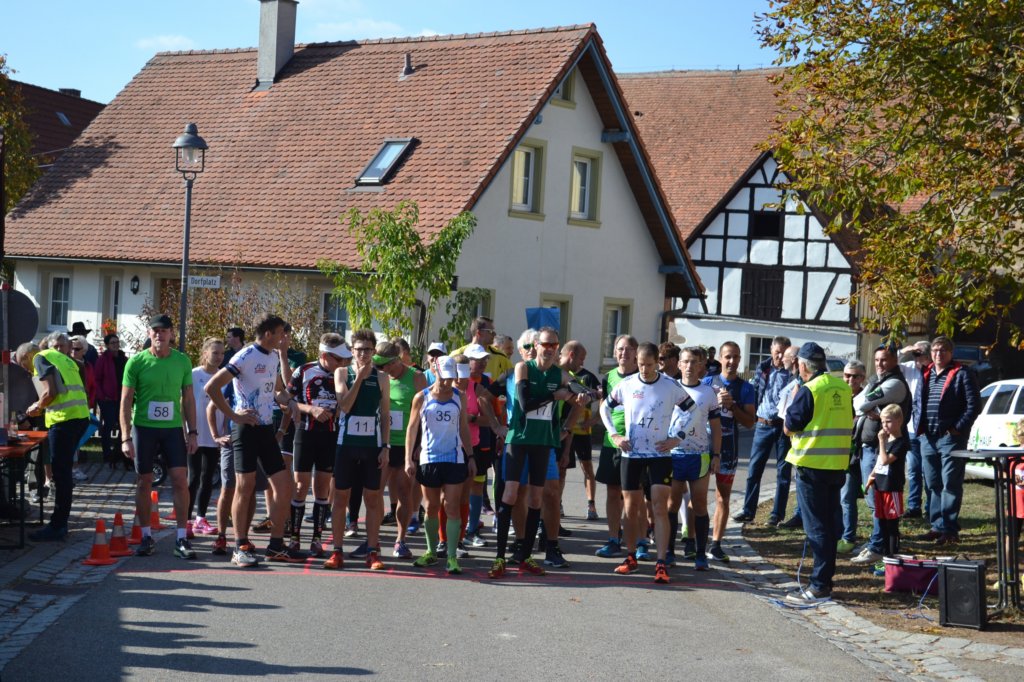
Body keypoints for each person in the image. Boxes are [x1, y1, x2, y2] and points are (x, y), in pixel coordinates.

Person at [206, 313, 303, 566]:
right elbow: (212, 388)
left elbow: (278, 390)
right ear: (268, 334)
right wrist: (233, 416)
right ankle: (240, 546)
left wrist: (292, 403)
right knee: (244, 487)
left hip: (265, 429)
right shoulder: (245, 355)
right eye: (281, 333)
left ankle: (275, 545)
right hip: (245, 429)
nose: (284, 338)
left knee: (284, 486)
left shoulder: (273, 356)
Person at [488, 327, 582, 578]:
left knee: (536, 499)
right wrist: (554, 395)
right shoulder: (523, 368)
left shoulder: (558, 373)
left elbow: (575, 388)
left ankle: (526, 557)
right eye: (545, 344)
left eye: (554, 345)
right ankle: (499, 558)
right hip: (519, 440)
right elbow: (525, 403)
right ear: (536, 346)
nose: (549, 349)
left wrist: (583, 396)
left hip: (542, 442)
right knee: (511, 494)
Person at [600, 342, 696, 584]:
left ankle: (661, 563)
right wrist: (614, 435)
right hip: (631, 455)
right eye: (641, 364)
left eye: (649, 365)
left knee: (659, 507)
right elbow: (604, 408)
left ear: (657, 363)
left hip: (659, 455)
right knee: (631, 508)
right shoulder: (627, 384)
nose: (644, 369)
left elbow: (692, 410)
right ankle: (631, 557)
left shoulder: (669, 385)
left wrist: (677, 437)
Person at [120, 315, 199, 559]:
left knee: (180, 480)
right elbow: (125, 401)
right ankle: (146, 536)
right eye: (155, 330)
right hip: (144, 429)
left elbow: (188, 398)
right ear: (149, 333)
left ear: (171, 334)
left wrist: (193, 432)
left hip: (172, 429)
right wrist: (125, 437)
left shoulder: (182, 361)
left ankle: (181, 538)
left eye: (164, 330)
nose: (159, 334)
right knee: (144, 481)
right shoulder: (136, 362)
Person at [784, 342, 853, 602]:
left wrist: (794, 400)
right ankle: (824, 581)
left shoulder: (809, 389)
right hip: (836, 465)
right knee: (830, 525)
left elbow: (789, 426)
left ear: (803, 365)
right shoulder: (842, 387)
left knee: (816, 528)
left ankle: (819, 585)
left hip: (812, 466)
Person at [324, 329, 390, 570]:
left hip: (372, 446)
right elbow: (345, 405)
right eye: (359, 350)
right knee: (341, 497)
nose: (363, 354)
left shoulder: (382, 377)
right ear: (352, 351)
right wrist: (360, 378)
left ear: (373, 351)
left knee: (372, 498)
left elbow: (385, 415)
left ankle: (373, 551)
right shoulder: (342, 373)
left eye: (368, 350)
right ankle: (337, 551)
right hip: (346, 445)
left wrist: (385, 446)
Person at [405, 356, 476, 574]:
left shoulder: (459, 396)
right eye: (443, 376)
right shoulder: (422, 397)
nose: (446, 382)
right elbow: (412, 428)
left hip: (454, 458)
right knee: (431, 507)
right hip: (429, 458)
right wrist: (408, 458)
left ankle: (452, 556)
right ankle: (430, 551)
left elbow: (463, 427)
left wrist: (471, 456)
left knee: (452, 506)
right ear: (435, 371)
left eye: (450, 377)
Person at [24, 334, 90, 541]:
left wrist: (36, 407)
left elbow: (50, 392)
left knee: (60, 475)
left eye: (24, 366)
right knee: (64, 473)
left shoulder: (40, 357)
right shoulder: (66, 359)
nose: (28, 371)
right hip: (80, 418)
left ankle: (58, 525)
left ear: (26, 357)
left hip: (64, 420)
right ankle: (60, 522)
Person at [850, 344, 911, 566]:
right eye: (876, 360)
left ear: (895, 360)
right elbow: (858, 403)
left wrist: (871, 408)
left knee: (880, 504)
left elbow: (861, 403)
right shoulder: (877, 380)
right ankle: (878, 543)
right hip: (870, 447)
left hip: (881, 448)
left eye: (884, 360)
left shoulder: (894, 383)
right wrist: (871, 407)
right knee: (875, 501)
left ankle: (879, 547)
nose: (879, 364)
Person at [917, 335, 981, 546]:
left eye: (943, 350)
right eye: (935, 350)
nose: (938, 354)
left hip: (950, 438)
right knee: (933, 483)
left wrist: (956, 429)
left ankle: (950, 530)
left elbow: (973, 406)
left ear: (951, 353)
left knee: (950, 484)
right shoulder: (926, 373)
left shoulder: (962, 373)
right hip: (928, 437)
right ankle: (937, 526)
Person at [667, 346, 721, 571]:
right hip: (673, 454)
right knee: (671, 504)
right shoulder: (669, 387)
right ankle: (668, 552)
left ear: (701, 366)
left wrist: (716, 454)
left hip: (699, 456)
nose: (689, 366)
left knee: (699, 504)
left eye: (694, 362)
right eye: (686, 361)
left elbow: (716, 427)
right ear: (679, 364)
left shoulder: (708, 393)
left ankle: (700, 554)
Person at [703, 340, 755, 562]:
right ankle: (693, 541)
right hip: (704, 447)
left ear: (740, 359)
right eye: (728, 357)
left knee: (722, 498)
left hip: (728, 450)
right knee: (697, 496)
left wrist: (732, 406)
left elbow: (750, 422)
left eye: (736, 357)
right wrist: (715, 403)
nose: (732, 361)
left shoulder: (746, 388)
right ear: (720, 359)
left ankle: (716, 544)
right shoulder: (707, 382)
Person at [375, 340, 426, 559]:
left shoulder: (416, 377)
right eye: (380, 366)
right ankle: (373, 541)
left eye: (386, 365)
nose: (384, 370)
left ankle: (400, 540)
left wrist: (420, 444)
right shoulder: (379, 376)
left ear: (396, 360)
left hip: (407, 444)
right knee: (375, 492)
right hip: (383, 443)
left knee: (405, 492)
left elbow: (425, 413)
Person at [735, 340, 795, 525]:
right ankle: (748, 510)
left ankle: (777, 514)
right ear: (771, 350)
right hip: (762, 424)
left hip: (783, 426)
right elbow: (755, 391)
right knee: (754, 470)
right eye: (777, 352)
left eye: (784, 353)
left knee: (783, 472)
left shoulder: (793, 373)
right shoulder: (762, 368)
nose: (780, 356)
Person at [595, 335, 639, 558]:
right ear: (614, 352)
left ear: (636, 353)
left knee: (635, 495)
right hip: (612, 442)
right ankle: (614, 538)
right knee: (613, 492)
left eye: (629, 349)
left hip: (637, 444)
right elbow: (604, 408)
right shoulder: (608, 377)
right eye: (620, 349)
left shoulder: (643, 376)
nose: (624, 353)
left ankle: (639, 541)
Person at [559, 341, 601, 521]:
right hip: (563, 430)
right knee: (561, 468)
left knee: (587, 467)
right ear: (571, 355)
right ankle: (557, 504)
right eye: (581, 358)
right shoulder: (560, 374)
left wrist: (594, 419)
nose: (583, 362)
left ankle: (591, 504)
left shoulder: (587, 376)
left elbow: (602, 395)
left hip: (581, 431)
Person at [864, 404, 908, 569]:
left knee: (891, 525)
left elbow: (885, 460)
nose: (885, 425)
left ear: (899, 421)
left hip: (892, 487)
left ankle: (892, 556)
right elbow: (878, 463)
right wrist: (871, 476)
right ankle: (884, 556)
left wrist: (881, 442)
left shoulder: (900, 442)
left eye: (888, 421)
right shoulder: (885, 441)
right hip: (880, 486)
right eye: (882, 422)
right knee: (881, 522)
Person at [190, 338, 225, 537]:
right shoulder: (194, 375)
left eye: (222, 353)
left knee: (207, 478)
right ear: (205, 353)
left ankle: (200, 518)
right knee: (193, 478)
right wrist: (187, 431)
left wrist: (222, 432)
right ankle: (186, 520)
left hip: (215, 435)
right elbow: (185, 403)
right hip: (195, 434)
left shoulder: (224, 376)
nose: (219, 357)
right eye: (215, 353)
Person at [898, 340, 931, 518]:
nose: (917, 358)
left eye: (920, 354)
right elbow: (890, 363)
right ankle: (914, 506)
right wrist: (905, 351)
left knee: (928, 471)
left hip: (927, 429)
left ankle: (931, 508)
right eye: (915, 354)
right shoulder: (909, 367)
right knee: (913, 469)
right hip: (911, 427)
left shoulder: (933, 370)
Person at [837, 360, 867, 555]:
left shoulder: (866, 397)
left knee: (847, 497)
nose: (850, 379)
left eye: (855, 376)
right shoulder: (838, 394)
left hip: (857, 456)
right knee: (839, 498)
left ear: (862, 378)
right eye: (847, 375)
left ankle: (848, 537)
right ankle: (839, 533)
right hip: (837, 453)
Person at [94, 333, 128, 468]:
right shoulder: (103, 359)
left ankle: (119, 452)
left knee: (122, 425)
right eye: (113, 343)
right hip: (108, 399)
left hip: (121, 397)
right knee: (108, 425)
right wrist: (103, 396)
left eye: (117, 342)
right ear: (107, 345)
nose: (115, 345)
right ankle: (107, 454)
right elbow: (97, 379)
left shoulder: (123, 358)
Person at [451, 316, 513, 380]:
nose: (494, 334)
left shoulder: (500, 356)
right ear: (479, 332)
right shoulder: (457, 354)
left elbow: (513, 378)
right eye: (490, 331)